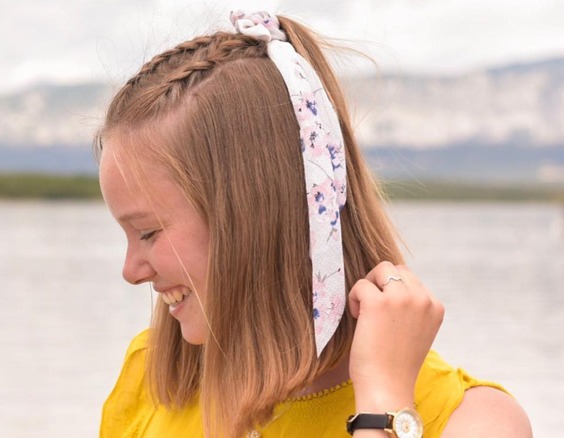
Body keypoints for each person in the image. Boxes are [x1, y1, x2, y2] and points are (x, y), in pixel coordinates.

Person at [95, 11, 531, 438]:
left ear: (252, 219)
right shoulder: (150, 374)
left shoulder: (476, 423)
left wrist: (383, 407)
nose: (131, 270)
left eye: (148, 232)